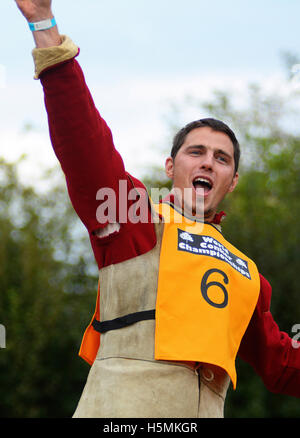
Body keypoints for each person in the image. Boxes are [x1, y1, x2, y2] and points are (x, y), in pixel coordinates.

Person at [15, 0, 300, 418]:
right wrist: (45, 26)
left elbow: (284, 364)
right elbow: (85, 145)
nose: (208, 162)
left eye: (222, 159)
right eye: (196, 152)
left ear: (233, 182)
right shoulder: (136, 219)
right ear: (171, 167)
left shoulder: (248, 276)